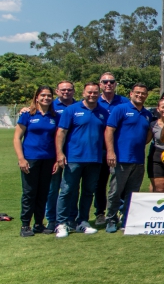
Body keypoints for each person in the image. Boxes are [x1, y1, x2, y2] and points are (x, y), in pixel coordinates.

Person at [55, 83, 109, 238]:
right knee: (67, 191)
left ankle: (82, 222)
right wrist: (60, 153)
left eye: (95, 92)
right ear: (83, 93)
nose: (92, 95)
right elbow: (61, 133)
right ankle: (62, 223)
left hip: (94, 159)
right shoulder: (71, 110)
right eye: (89, 92)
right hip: (74, 158)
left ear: (99, 94)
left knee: (88, 192)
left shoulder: (103, 112)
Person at [104, 84, 153, 233]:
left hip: (138, 159)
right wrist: (111, 152)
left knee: (132, 193)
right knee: (115, 192)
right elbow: (109, 130)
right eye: (137, 93)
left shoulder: (147, 114)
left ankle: (127, 219)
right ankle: (111, 220)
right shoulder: (120, 109)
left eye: (143, 93)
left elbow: (146, 136)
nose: (140, 95)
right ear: (131, 93)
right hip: (121, 158)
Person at [14, 86, 58, 237]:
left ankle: (38, 223)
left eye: (49, 95)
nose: (46, 98)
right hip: (30, 159)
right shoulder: (27, 114)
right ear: (37, 97)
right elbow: (17, 138)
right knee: (29, 192)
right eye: (43, 95)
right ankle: (25, 225)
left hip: (48, 159)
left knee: (43, 192)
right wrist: (21, 158)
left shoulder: (54, 116)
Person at [93, 72, 130, 228]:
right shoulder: (94, 101)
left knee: (119, 184)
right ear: (100, 84)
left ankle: (119, 212)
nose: (108, 84)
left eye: (111, 81)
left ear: (115, 84)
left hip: (119, 150)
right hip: (97, 149)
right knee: (100, 183)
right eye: (105, 81)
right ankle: (100, 213)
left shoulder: (123, 102)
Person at [45, 81, 76, 231]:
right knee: (53, 188)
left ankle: (70, 218)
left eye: (69, 90)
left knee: (71, 188)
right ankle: (51, 219)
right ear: (57, 91)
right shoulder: (51, 106)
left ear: (74, 91)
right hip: (54, 153)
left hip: (74, 153)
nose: (66, 92)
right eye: (63, 90)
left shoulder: (79, 106)